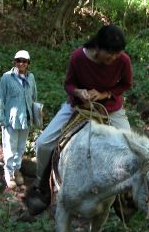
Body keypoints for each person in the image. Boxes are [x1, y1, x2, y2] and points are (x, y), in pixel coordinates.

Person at [26, 24, 133, 214]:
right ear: (98, 47)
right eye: (110, 55)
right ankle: (42, 184)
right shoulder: (78, 57)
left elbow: (125, 84)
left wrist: (105, 94)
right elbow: (68, 84)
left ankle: (125, 194)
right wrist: (78, 92)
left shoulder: (123, 60)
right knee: (43, 144)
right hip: (78, 106)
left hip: (110, 109)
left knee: (131, 147)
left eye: (117, 55)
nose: (114, 59)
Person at [0, 50, 38, 189]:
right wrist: (1, 118)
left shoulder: (31, 77)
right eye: (19, 60)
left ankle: (16, 170)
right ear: (15, 62)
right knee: (10, 148)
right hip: (11, 119)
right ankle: (9, 173)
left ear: (28, 63)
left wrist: (35, 113)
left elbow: (34, 97)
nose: (21, 63)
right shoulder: (7, 77)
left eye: (24, 61)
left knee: (20, 147)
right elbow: (1, 98)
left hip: (26, 118)